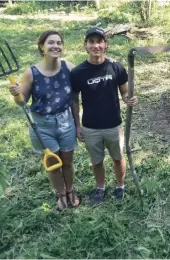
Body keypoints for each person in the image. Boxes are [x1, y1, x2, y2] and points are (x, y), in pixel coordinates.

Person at [9, 30, 80, 210]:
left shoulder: (69, 67)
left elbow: (85, 79)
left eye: (58, 42)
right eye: (51, 43)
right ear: (42, 47)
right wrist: (16, 95)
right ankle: (60, 193)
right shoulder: (31, 73)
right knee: (52, 164)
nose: (55, 46)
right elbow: (21, 102)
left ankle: (70, 189)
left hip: (66, 122)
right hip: (42, 126)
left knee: (67, 161)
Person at [70, 27, 138, 206]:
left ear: (106, 44)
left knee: (118, 158)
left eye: (99, 41)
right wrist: (77, 126)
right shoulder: (78, 73)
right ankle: (100, 188)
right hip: (90, 126)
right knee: (96, 161)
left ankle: (120, 185)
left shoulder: (116, 67)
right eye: (91, 42)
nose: (96, 45)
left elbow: (124, 92)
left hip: (113, 125)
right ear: (85, 46)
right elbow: (74, 101)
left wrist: (128, 99)